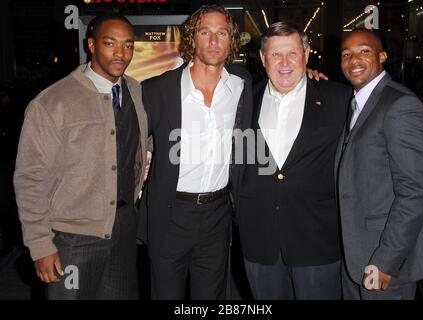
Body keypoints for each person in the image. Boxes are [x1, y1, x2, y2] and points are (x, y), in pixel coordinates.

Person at [13, 13, 149, 299]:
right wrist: (40, 245)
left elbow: (140, 142)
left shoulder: (135, 91)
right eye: (110, 43)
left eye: (128, 45)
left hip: (123, 230)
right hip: (72, 238)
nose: (120, 54)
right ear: (91, 44)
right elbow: (30, 178)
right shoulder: (53, 102)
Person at [140, 4, 253, 299]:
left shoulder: (243, 85)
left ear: (232, 40)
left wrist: (311, 78)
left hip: (218, 216)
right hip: (170, 214)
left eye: (222, 33)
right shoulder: (157, 89)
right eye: (205, 32)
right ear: (192, 38)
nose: (214, 41)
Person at [236, 22, 351, 300]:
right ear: (263, 59)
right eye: (276, 54)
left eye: (292, 53)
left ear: (306, 54)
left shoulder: (340, 99)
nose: (284, 62)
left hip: (317, 241)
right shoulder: (243, 101)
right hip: (259, 243)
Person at [336, 28, 423, 300]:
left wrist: (385, 262)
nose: (354, 59)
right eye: (346, 54)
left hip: (384, 262)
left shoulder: (400, 106)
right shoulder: (356, 103)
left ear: (383, 56)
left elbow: (414, 191)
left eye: (364, 51)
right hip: (354, 256)